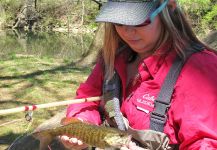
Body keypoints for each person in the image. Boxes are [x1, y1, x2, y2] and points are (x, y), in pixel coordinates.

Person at [60, 0, 217, 149]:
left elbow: (206, 142)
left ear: (168, 6)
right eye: (119, 21)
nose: (128, 31)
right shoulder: (111, 58)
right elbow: (86, 98)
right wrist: (81, 123)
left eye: (138, 20)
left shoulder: (199, 69)